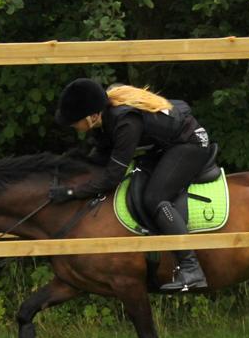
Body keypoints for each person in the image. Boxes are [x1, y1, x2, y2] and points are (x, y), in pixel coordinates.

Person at [52, 78, 213, 291]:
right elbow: (99, 157)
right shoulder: (104, 120)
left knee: (154, 198)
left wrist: (73, 192)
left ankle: (191, 268)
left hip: (190, 143)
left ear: (91, 116)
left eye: (75, 122)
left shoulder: (126, 122)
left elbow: (112, 177)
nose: (74, 126)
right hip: (167, 145)